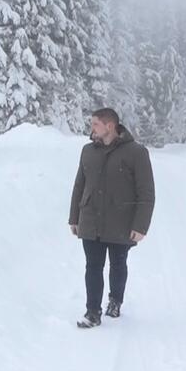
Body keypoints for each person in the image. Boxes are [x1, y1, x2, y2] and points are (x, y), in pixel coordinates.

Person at [68, 108, 155, 328]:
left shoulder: (136, 152)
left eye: (95, 125)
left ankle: (115, 301)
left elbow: (146, 192)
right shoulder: (87, 151)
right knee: (93, 266)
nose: (91, 130)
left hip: (121, 221)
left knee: (118, 263)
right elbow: (79, 185)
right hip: (91, 219)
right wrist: (74, 217)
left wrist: (140, 225)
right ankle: (92, 312)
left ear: (109, 126)